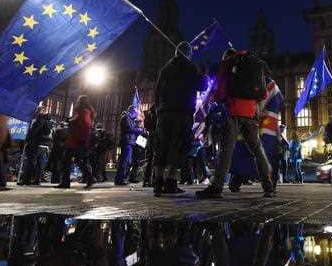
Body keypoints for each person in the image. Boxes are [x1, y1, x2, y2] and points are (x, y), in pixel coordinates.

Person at [197, 48, 273, 199]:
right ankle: (268, 187)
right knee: (258, 151)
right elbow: (263, 94)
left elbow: (221, 91)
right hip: (251, 112)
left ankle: (216, 187)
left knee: (226, 152)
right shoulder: (254, 63)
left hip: (233, 111)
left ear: (226, 57)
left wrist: (217, 100)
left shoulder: (229, 63)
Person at [153, 42, 205, 196]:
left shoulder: (165, 69)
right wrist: (202, 73)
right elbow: (202, 86)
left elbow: (157, 91)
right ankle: (170, 182)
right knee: (179, 146)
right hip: (183, 113)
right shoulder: (191, 68)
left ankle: (157, 183)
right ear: (188, 53)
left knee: (161, 146)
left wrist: (159, 110)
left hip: (164, 113)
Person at [57, 95, 95, 189]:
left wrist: (81, 138)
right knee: (76, 160)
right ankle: (89, 178)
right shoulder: (84, 112)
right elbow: (78, 122)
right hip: (77, 140)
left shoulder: (84, 112)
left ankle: (88, 178)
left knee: (68, 161)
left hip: (77, 141)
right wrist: (70, 121)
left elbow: (85, 125)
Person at [18, 108, 52, 185]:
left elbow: (34, 131)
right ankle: (37, 180)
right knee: (40, 163)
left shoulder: (39, 120)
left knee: (31, 162)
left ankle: (26, 180)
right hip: (45, 145)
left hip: (36, 144)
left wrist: (28, 139)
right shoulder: (48, 121)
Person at [115, 106, 145, 185]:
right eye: (136, 112)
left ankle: (122, 178)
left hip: (130, 142)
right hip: (127, 141)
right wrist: (140, 130)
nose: (136, 114)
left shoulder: (130, 119)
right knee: (124, 161)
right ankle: (119, 179)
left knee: (127, 161)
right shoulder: (126, 118)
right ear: (131, 111)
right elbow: (130, 129)